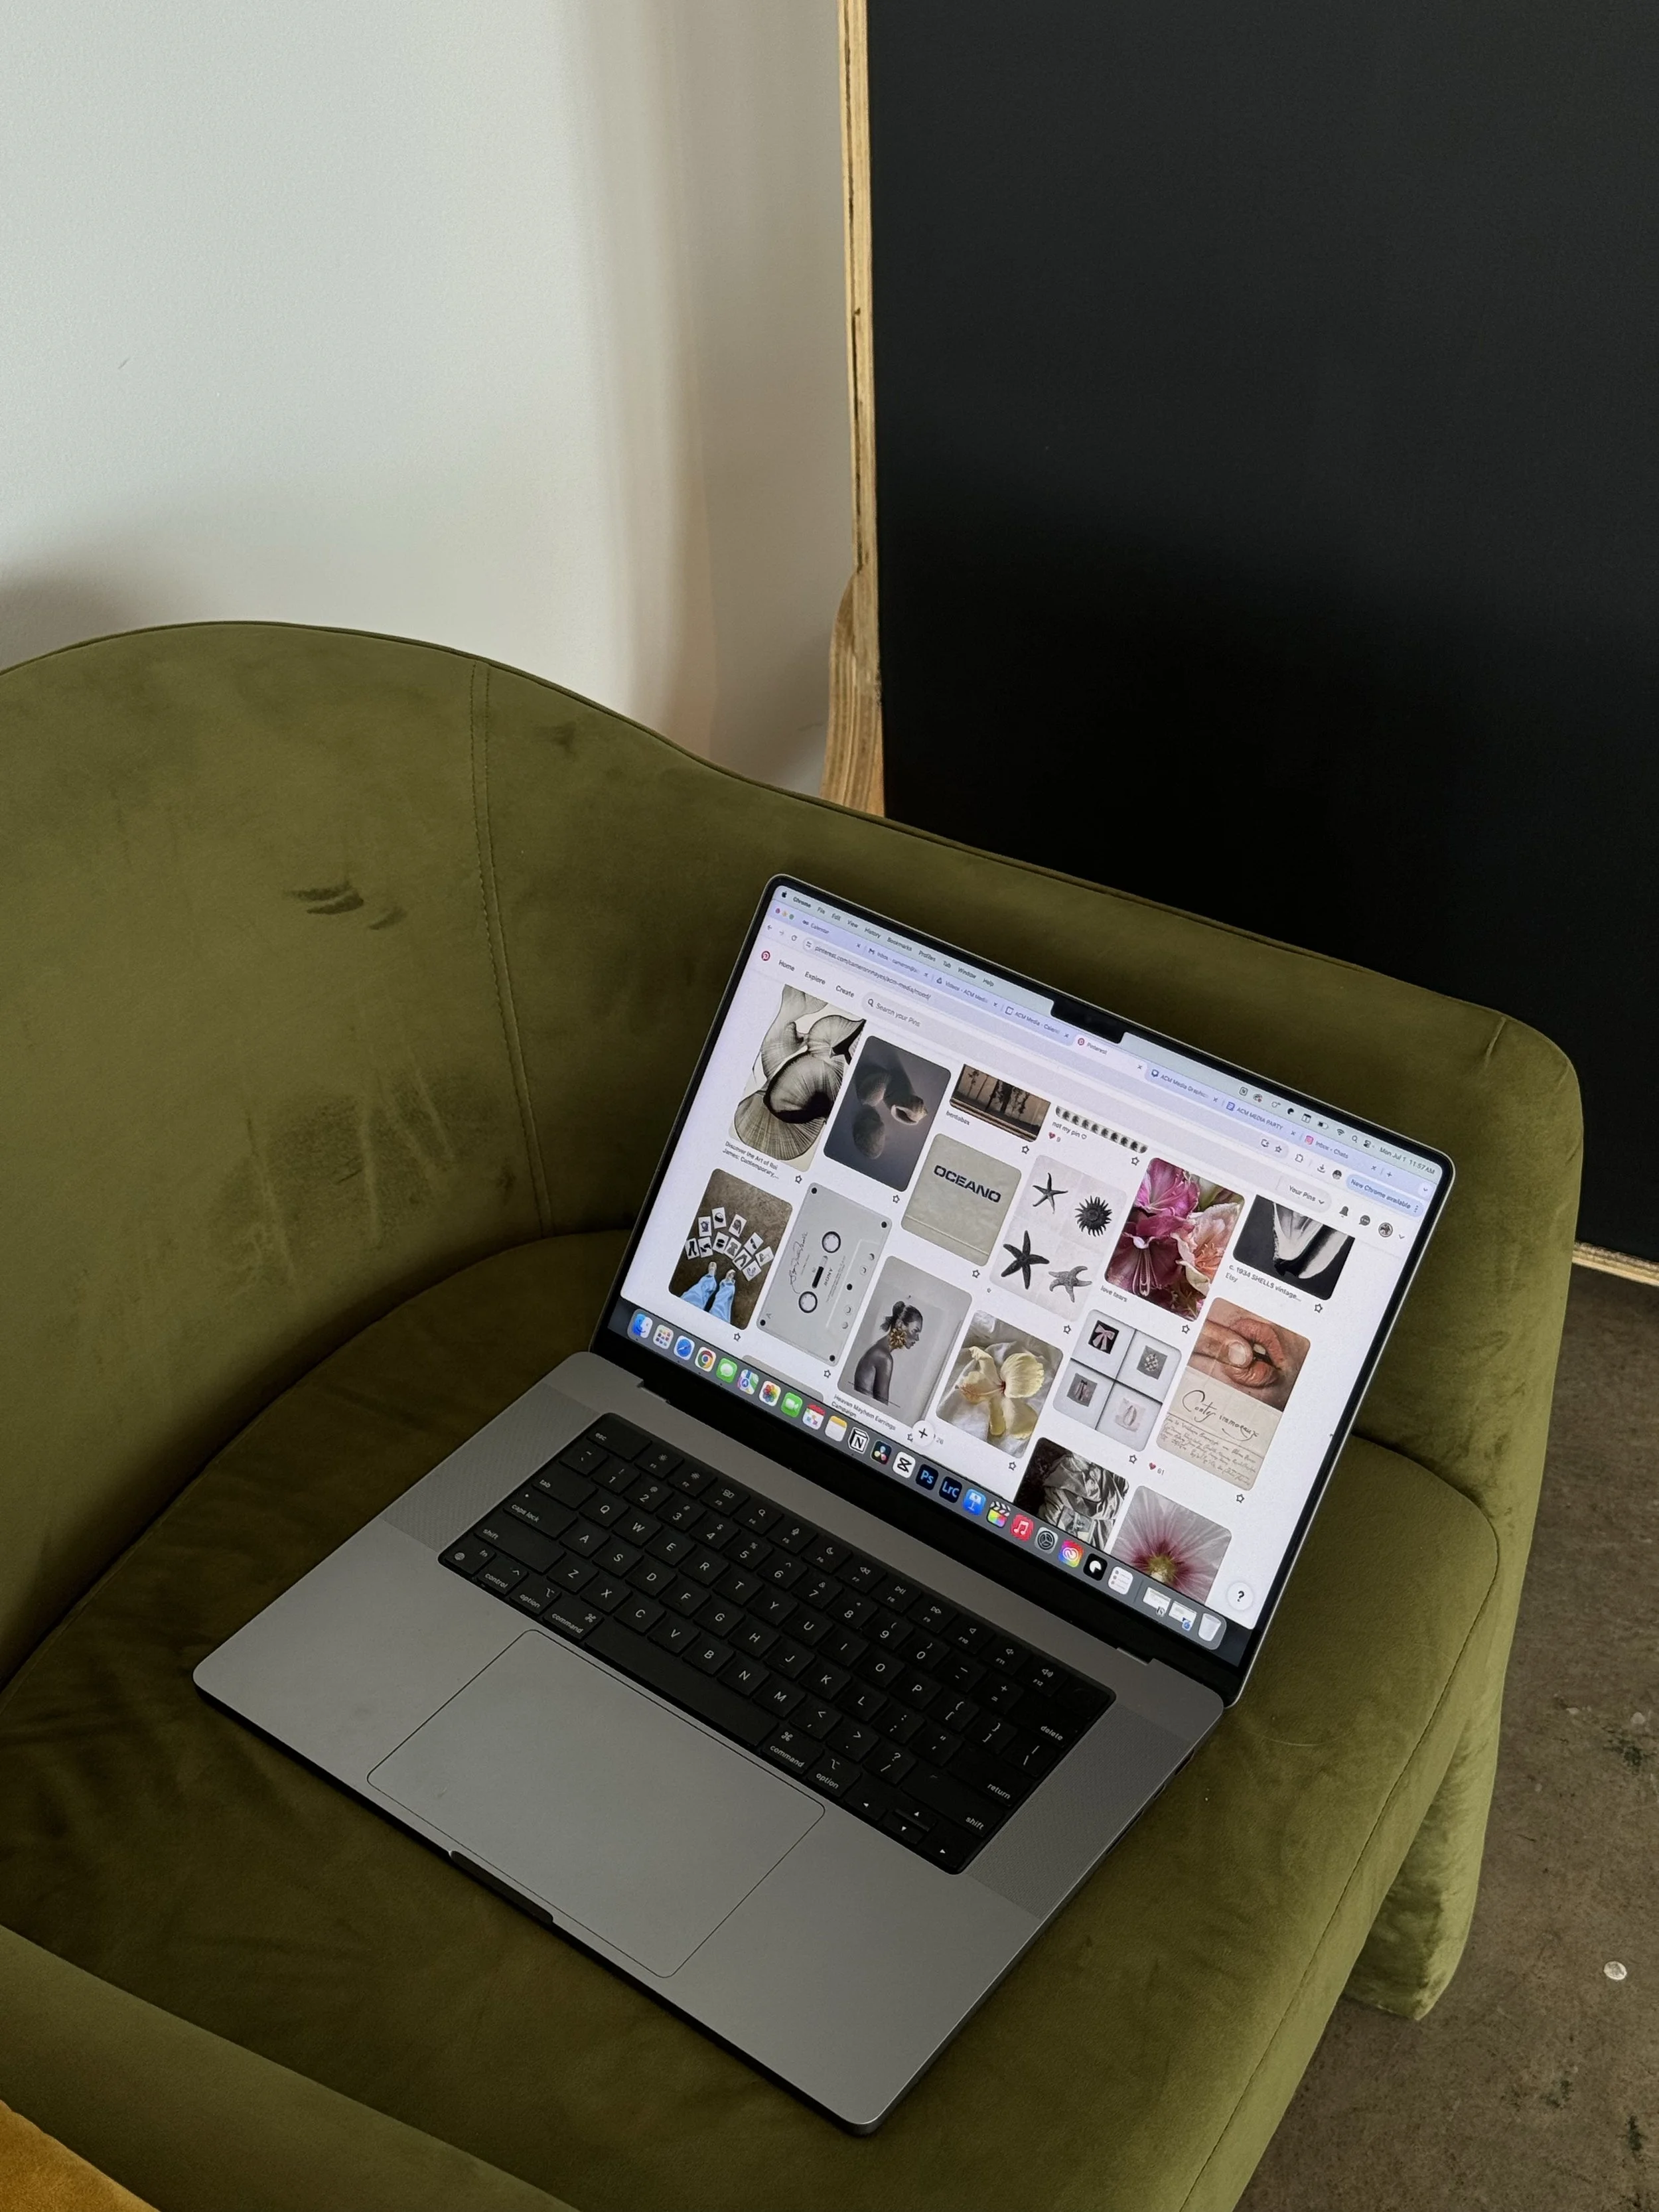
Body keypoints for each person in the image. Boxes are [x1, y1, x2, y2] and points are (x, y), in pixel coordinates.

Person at [852, 1301, 923, 1402]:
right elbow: (881, 1405)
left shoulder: (878, 1349)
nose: (917, 1338)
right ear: (900, 1324)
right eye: (915, 1331)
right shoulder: (883, 1357)